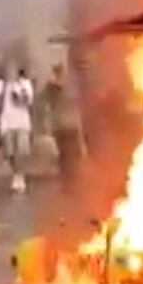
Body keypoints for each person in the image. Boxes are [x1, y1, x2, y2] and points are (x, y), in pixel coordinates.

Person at [41, 62, 84, 193]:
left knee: (66, 156)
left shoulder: (54, 86)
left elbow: (45, 100)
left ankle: (69, 182)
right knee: (70, 155)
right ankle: (71, 182)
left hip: (64, 126)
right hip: (68, 126)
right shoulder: (68, 86)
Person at [0, 63, 34, 194]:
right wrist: (4, 89)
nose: (10, 72)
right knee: (10, 153)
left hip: (22, 122)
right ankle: (15, 173)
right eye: (8, 70)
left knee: (21, 152)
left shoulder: (25, 83)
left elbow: (27, 102)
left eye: (12, 70)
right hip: (7, 122)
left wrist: (19, 94)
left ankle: (20, 177)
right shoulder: (1, 84)